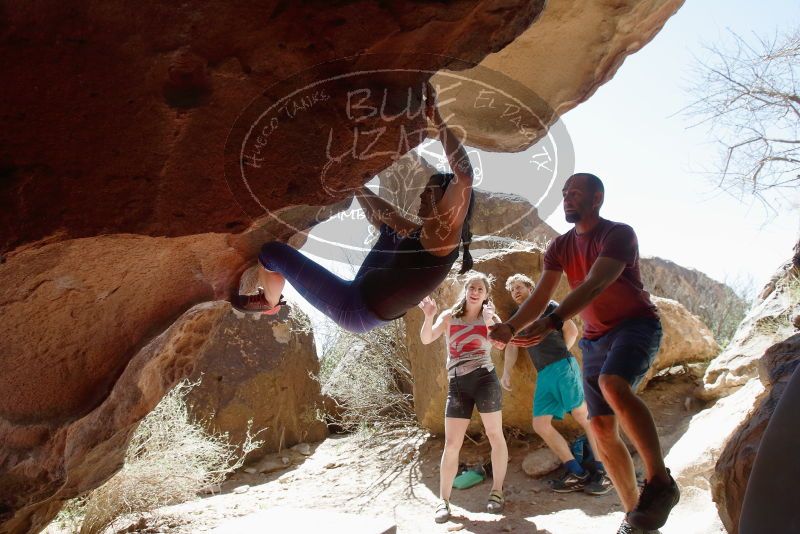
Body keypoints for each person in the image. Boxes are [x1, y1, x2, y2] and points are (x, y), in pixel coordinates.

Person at [488, 173, 679, 534]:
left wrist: (554, 322)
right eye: (564, 194)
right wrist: (510, 327)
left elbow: (597, 282)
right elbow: (541, 295)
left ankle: (660, 482)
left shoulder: (617, 234)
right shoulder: (558, 246)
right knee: (602, 427)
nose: (567, 199)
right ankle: (636, 520)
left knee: (612, 383)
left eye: (575, 193)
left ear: (597, 198)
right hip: (594, 340)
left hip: (635, 326)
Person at [231, 83, 475, 333]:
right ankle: (355, 187)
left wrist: (437, 118)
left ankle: (270, 302)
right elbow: (381, 218)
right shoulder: (427, 237)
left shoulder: (444, 235)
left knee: (272, 253)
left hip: (355, 307)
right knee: (391, 230)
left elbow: (464, 176)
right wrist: (354, 185)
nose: (422, 195)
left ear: (447, 200)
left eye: (430, 190)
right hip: (365, 292)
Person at [501, 273, 611, 496]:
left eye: (519, 286)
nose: (516, 291)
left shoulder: (547, 305)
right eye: (512, 290)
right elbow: (512, 346)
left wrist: (562, 355)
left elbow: (571, 330)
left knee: (583, 416)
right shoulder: (516, 316)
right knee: (540, 424)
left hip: (561, 366)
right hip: (543, 374)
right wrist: (506, 371)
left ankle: (603, 472)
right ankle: (576, 472)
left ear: (530, 287)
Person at [418, 272, 508, 523]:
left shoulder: (491, 318)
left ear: (486, 294)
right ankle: (443, 501)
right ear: (465, 290)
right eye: (471, 287)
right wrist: (428, 316)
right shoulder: (449, 316)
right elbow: (427, 338)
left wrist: (490, 322)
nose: (475, 292)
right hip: (457, 383)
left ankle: (497, 492)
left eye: (480, 289)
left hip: (484, 379)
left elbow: (500, 345)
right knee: (452, 443)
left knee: (494, 434)